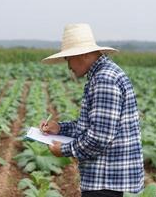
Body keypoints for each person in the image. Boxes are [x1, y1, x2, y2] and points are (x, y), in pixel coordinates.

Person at [39, 23, 144, 197]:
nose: (68, 66)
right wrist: (59, 128)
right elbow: (93, 127)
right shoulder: (102, 75)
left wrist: (63, 150)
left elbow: (99, 137)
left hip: (109, 184)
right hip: (110, 181)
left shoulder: (104, 79)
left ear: (84, 55)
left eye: (69, 59)